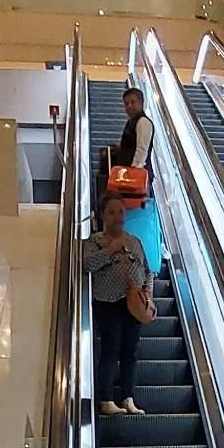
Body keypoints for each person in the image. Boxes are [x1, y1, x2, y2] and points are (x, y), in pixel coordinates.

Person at [83, 193, 151, 416]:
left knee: (130, 351)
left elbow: (148, 271)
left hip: (133, 304)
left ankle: (128, 398)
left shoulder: (134, 241)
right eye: (111, 212)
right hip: (107, 302)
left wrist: (147, 294)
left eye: (120, 211)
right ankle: (106, 399)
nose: (117, 216)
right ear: (103, 215)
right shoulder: (95, 242)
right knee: (111, 349)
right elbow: (87, 264)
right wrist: (111, 249)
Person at [96, 86, 154, 219]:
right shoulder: (131, 122)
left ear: (141, 103)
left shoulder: (143, 122)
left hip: (137, 179)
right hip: (129, 178)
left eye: (132, 102)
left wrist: (133, 173)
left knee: (135, 214)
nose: (129, 106)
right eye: (126, 103)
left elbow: (141, 149)